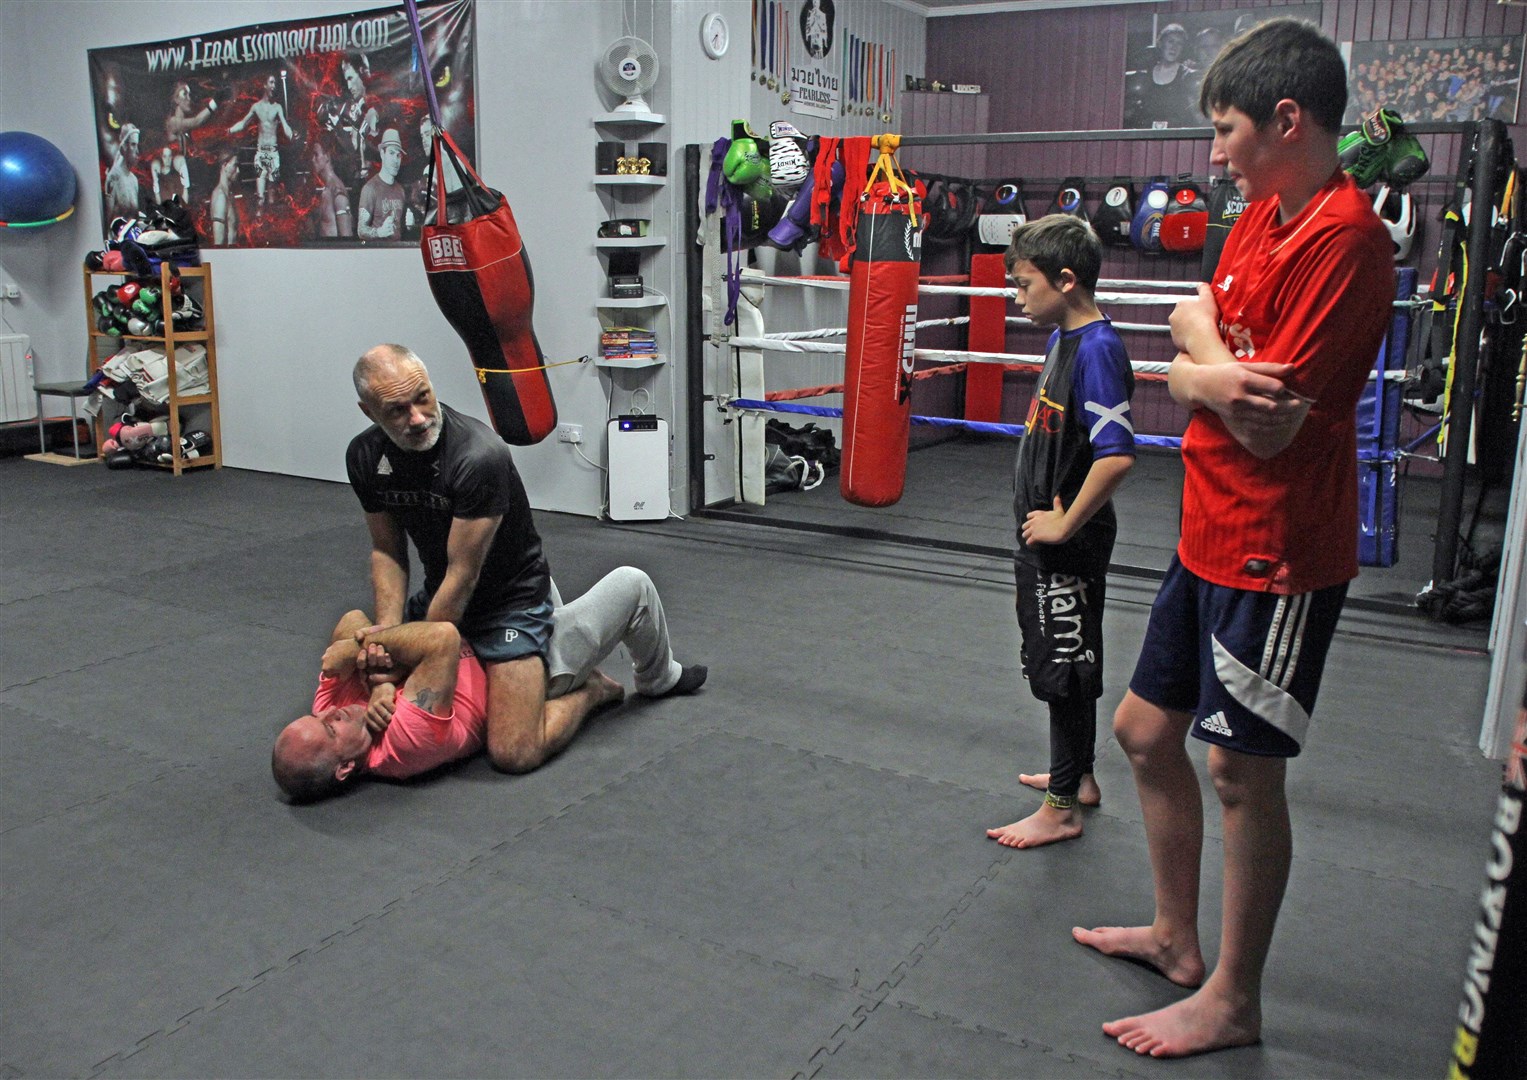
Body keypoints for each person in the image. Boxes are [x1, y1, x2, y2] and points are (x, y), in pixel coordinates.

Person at [1072, 19, 1393, 1058]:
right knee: (1142, 734)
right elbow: (1195, 323)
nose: (1212, 154)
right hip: (1207, 525)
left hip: (1280, 547)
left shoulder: (1345, 238)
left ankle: (1233, 999)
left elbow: (1272, 414)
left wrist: (1196, 365)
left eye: (1225, 131)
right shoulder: (1261, 213)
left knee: (1243, 774)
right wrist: (1206, 365)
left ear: (1285, 121)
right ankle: (1176, 940)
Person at [347, 344, 707, 775]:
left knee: (513, 752)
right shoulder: (366, 457)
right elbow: (387, 552)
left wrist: (402, 661)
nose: (418, 418)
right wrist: (385, 639)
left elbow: (464, 574)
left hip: (510, 604)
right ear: (369, 413)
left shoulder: (477, 456)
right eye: (397, 410)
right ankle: (552, 664)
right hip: (441, 597)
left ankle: (600, 685)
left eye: (422, 397)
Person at [272, 563, 688, 801]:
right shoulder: (404, 743)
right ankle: (657, 677)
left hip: (495, 625)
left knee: (506, 557)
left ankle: (584, 661)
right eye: (330, 728)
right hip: (532, 663)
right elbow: (441, 638)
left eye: (321, 714)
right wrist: (362, 656)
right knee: (633, 584)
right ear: (345, 767)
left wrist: (381, 682)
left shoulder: (330, 708)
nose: (334, 712)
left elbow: (351, 619)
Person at [985, 215, 1135, 850]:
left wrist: (1065, 522)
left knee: (1064, 665)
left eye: (1024, 285)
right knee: (1059, 662)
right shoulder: (1064, 341)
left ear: (1066, 280)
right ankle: (1082, 778)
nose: (1018, 298)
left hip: (1066, 543)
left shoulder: (1098, 350)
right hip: (1046, 537)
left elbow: (1117, 453)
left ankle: (1062, 807)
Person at [227, 73, 294, 213]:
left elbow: (285, 125)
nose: (274, 86)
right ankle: (259, 222)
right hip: (261, 152)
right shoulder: (256, 107)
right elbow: (243, 123)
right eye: (271, 82)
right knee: (260, 196)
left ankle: (270, 226)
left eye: (275, 83)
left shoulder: (277, 107)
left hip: (273, 153)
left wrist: (291, 134)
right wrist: (230, 130)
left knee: (271, 195)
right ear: (265, 85)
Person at [356, 128, 406, 241]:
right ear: (382, 154)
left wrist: (410, 225)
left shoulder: (400, 190)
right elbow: (361, 230)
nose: (395, 160)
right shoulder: (370, 189)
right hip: (377, 254)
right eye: (391, 153)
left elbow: (400, 229)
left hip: (398, 253)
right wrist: (379, 232)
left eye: (399, 155)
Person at [309, 140, 353, 238]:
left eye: (316, 155)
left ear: (327, 156)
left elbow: (346, 237)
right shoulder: (325, 188)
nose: (312, 160)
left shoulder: (337, 192)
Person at [103, 123, 142, 222]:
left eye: (137, 145)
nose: (137, 151)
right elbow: (107, 220)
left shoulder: (134, 180)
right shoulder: (114, 177)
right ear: (124, 147)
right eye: (133, 145)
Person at [208, 151, 240, 246]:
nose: (238, 171)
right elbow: (218, 244)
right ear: (224, 165)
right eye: (235, 165)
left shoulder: (229, 194)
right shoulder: (220, 197)